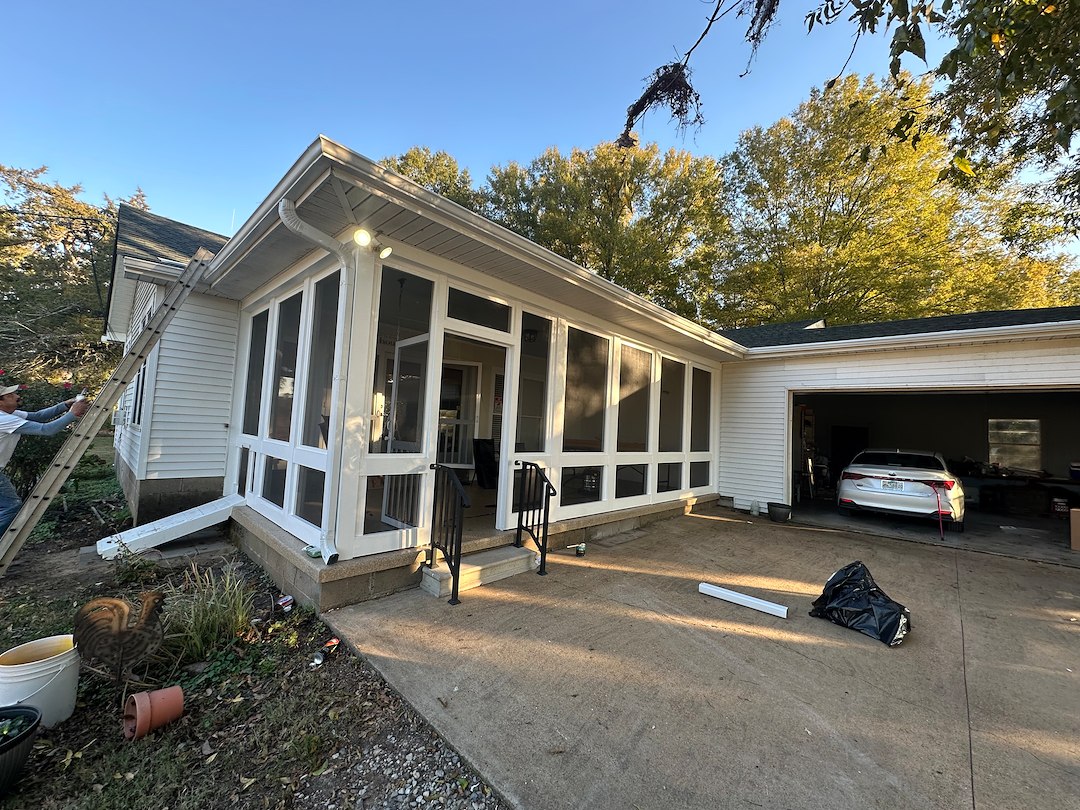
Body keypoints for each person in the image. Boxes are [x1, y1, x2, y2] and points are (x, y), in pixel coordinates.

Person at [0, 384, 91, 535]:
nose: (17, 397)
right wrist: (72, 414)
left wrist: (65, 405)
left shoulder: (9, 414)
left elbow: (38, 416)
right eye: (10, 396)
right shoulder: (3, 419)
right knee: (11, 507)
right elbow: (46, 430)